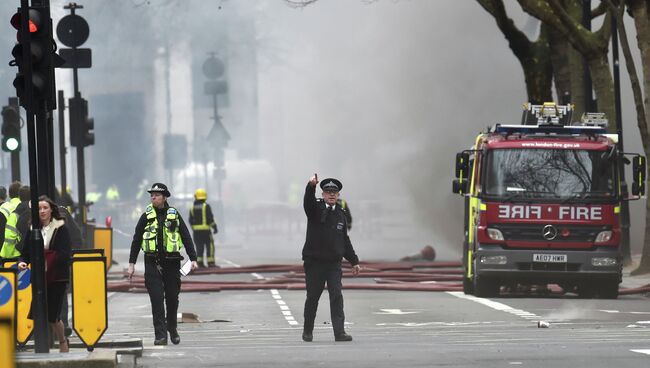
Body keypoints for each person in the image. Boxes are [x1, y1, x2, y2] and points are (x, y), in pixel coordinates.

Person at [127, 183, 198, 346]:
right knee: (157, 300)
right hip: (152, 263)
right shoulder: (146, 215)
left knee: (172, 298)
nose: (153, 197)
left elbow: (186, 236)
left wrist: (193, 258)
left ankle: (172, 328)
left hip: (171, 264)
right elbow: (137, 239)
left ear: (165, 197)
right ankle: (160, 335)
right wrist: (131, 263)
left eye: (157, 195)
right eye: (152, 195)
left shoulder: (174, 215)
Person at [301, 174, 361, 342]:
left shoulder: (341, 214)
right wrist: (310, 186)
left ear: (338, 195)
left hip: (334, 264)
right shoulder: (315, 210)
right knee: (313, 297)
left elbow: (345, 240)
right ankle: (308, 330)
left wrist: (354, 261)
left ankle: (339, 332)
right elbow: (307, 202)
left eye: (334, 192)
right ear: (323, 194)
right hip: (315, 263)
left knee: (336, 296)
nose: (332, 194)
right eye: (328, 192)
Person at [17, 195, 71, 353]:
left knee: (53, 316)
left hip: (57, 277)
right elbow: (26, 251)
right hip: (39, 278)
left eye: (45, 208)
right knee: (37, 313)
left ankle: (62, 340)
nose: (42, 211)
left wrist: (47, 259)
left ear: (51, 209)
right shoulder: (33, 229)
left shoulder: (61, 228)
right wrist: (23, 262)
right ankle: (43, 346)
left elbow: (65, 253)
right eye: (39, 208)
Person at [188, 188, 218, 267]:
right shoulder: (206, 206)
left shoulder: (192, 208)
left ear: (196, 197)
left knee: (199, 247)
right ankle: (211, 263)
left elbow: (190, 220)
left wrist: (194, 228)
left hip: (196, 232)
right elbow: (210, 218)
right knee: (210, 246)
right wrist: (214, 227)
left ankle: (200, 263)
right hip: (206, 231)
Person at [0, 181, 23, 259]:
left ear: (9, 195)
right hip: (23, 252)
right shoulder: (27, 207)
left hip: (6, 253)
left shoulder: (3, 208)